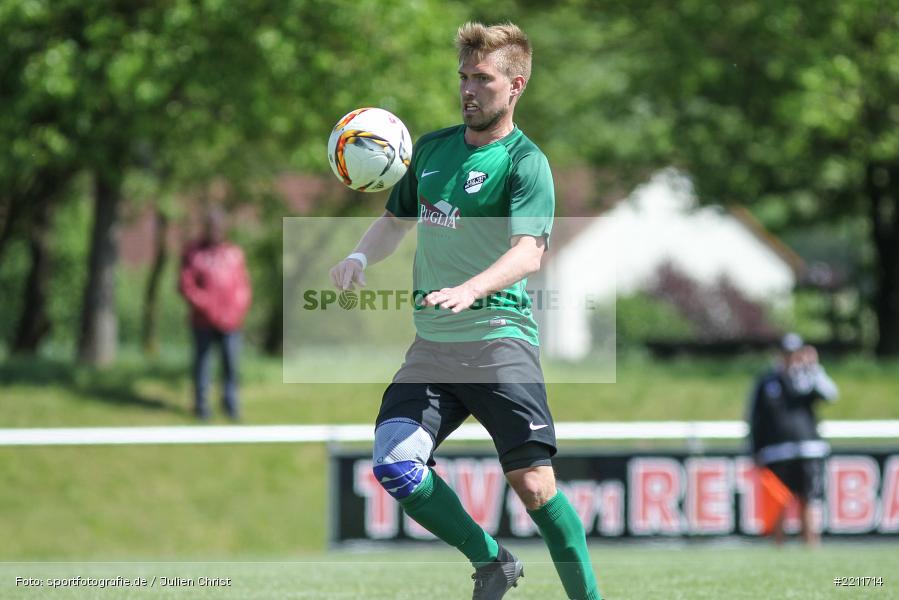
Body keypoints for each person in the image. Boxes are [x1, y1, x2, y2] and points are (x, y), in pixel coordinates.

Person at [330, 22, 601, 600]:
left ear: (516, 85)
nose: (469, 89)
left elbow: (529, 252)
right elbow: (395, 220)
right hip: (434, 347)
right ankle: (491, 561)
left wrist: (472, 288)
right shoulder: (429, 149)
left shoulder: (526, 163)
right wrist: (358, 255)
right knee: (394, 464)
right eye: (464, 77)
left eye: (483, 78)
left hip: (499, 339)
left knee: (533, 486)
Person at [747, 333, 839, 546]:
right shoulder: (767, 381)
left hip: (807, 449)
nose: (790, 358)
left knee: (808, 501)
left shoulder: (808, 377)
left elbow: (831, 395)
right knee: (778, 502)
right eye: (786, 353)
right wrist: (754, 449)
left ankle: (810, 546)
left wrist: (814, 368)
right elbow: (755, 418)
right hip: (776, 451)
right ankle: (779, 549)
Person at [179, 207, 252, 421]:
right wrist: (209, 309)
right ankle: (202, 407)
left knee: (231, 364)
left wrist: (234, 312)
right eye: (212, 227)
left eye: (219, 227)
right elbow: (187, 286)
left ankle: (231, 405)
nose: (216, 231)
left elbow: (243, 287)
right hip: (203, 321)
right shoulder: (194, 254)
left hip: (231, 323)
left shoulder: (234, 254)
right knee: (202, 364)